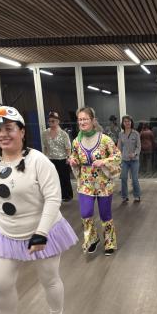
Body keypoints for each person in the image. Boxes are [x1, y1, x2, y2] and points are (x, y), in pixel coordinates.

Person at [0, 106, 78, 314]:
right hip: (7, 233)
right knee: (0, 283)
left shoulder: (38, 161)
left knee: (49, 279)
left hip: (43, 231)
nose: (3, 134)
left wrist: (42, 232)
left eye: (9, 128)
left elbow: (53, 198)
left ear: (22, 131)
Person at [70, 107, 121, 255]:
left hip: (103, 183)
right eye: (80, 119)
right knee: (85, 213)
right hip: (85, 183)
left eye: (85, 119)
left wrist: (104, 161)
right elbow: (74, 156)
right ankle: (92, 239)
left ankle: (109, 242)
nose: (82, 122)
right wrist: (73, 161)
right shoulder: (76, 141)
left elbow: (117, 156)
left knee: (105, 214)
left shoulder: (104, 139)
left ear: (93, 120)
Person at [42, 111, 73, 202]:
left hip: (62, 159)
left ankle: (67, 195)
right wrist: (44, 157)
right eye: (49, 121)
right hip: (50, 159)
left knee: (64, 178)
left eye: (53, 121)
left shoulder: (63, 134)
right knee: (52, 178)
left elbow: (68, 147)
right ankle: (55, 195)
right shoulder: (45, 133)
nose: (51, 123)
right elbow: (45, 146)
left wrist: (68, 157)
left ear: (58, 121)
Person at [118, 115, 141, 202]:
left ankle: (137, 195)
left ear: (131, 122)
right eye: (125, 121)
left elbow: (139, 147)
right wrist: (117, 156)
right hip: (124, 160)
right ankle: (124, 196)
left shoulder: (136, 133)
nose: (127, 123)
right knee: (123, 178)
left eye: (129, 121)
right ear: (123, 123)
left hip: (134, 160)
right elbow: (119, 147)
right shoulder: (121, 134)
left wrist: (134, 154)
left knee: (134, 179)